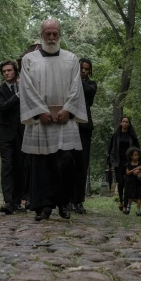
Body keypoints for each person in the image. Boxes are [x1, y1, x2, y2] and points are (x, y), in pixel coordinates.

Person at [20, 18, 88, 222]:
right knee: (41, 164)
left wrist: (68, 110)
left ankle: (63, 203)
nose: (51, 37)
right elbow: (26, 88)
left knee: (65, 162)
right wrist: (40, 111)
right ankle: (42, 206)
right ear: (41, 35)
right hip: (42, 120)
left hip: (64, 120)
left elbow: (76, 87)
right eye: (47, 33)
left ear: (60, 34)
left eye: (54, 34)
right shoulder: (29, 59)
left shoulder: (71, 59)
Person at [0, 60, 25, 215]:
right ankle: (8, 201)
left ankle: (18, 201)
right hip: (5, 134)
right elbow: (3, 107)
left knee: (19, 166)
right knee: (7, 167)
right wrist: (18, 95)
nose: (6, 73)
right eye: (4, 71)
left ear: (15, 71)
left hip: (21, 132)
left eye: (9, 70)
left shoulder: (24, 87)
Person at [72, 58, 97, 214]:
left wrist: (74, 77)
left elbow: (88, 92)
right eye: (81, 68)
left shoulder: (91, 85)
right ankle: (66, 199)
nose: (84, 71)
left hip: (84, 127)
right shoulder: (69, 81)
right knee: (68, 162)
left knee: (82, 164)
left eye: (87, 69)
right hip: (68, 124)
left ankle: (78, 201)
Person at [107, 116, 140, 212]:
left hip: (128, 163)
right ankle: (121, 201)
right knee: (120, 182)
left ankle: (125, 205)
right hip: (118, 162)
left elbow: (137, 150)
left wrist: (139, 163)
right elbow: (110, 149)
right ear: (121, 123)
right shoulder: (116, 136)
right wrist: (108, 162)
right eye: (123, 122)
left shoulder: (132, 137)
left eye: (127, 122)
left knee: (127, 183)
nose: (125, 123)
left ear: (129, 124)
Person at [123, 146, 141, 216]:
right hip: (131, 182)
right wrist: (134, 169)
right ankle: (128, 207)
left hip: (138, 182)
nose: (137, 156)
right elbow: (128, 172)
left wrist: (139, 170)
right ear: (131, 156)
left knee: (139, 197)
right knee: (130, 196)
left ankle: (138, 210)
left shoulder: (140, 164)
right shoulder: (128, 164)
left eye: (138, 155)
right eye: (135, 155)